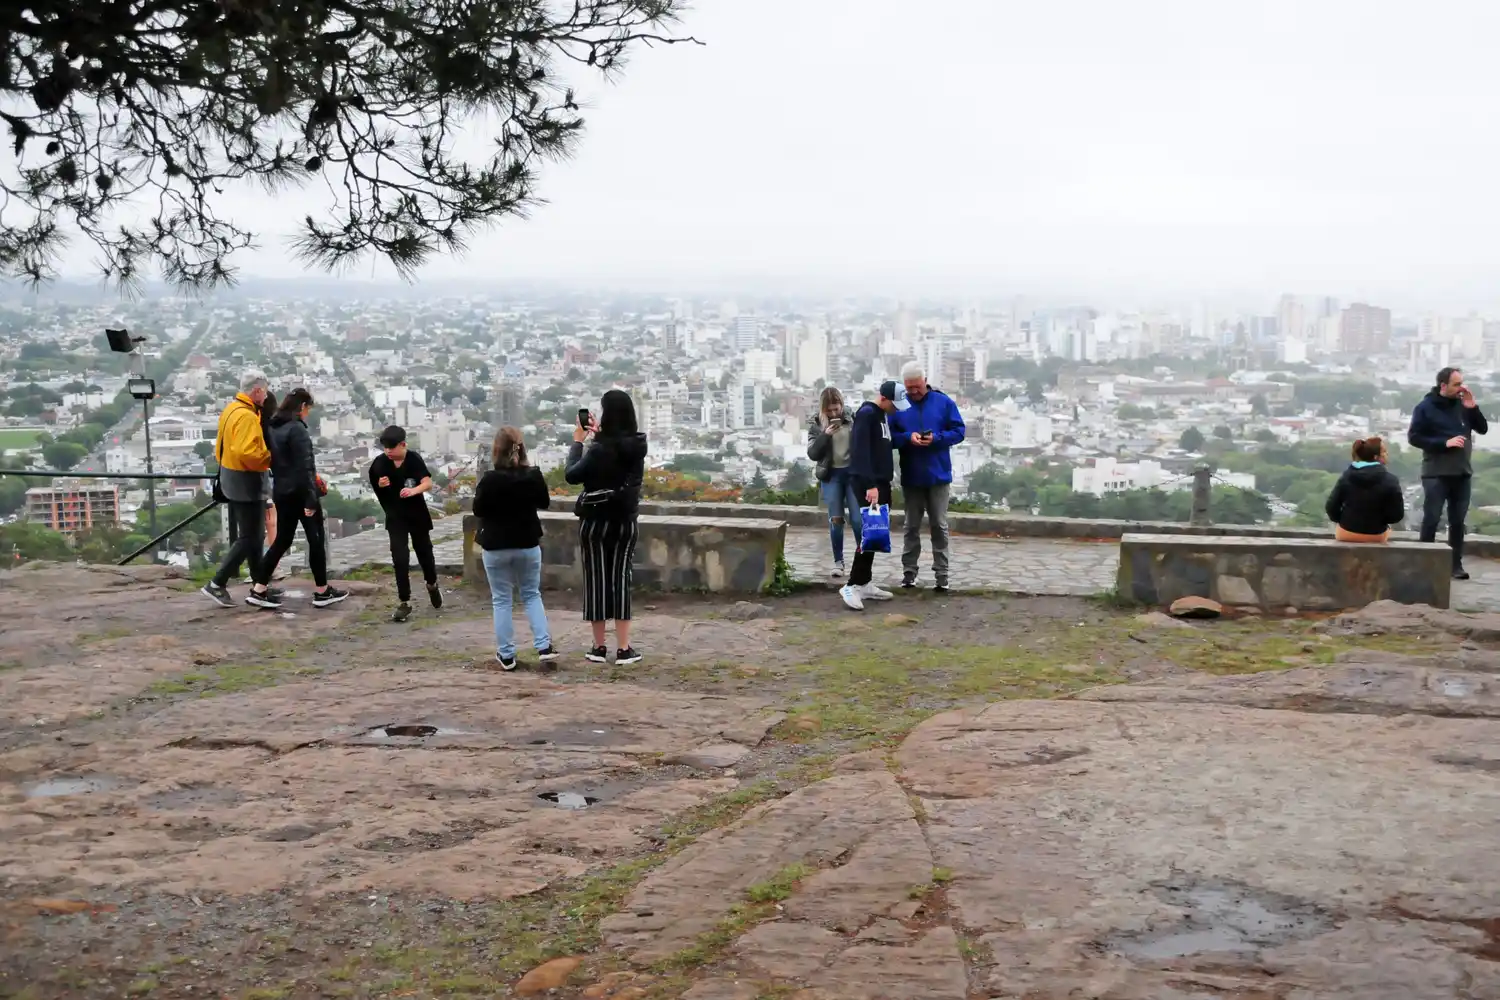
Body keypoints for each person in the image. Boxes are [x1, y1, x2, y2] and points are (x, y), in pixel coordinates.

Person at [565, 389, 648, 665]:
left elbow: (572, 475)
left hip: (595, 521)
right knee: (621, 580)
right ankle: (624, 648)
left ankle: (598, 647)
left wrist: (579, 442)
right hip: (625, 520)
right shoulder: (637, 446)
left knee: (597, 580)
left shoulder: (598, 449)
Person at [473, 426, 558, 670]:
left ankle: (507, 654)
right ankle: (544, 646)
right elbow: (544, 502)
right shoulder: (532, 475)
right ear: (521, 449)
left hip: (496, 545)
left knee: (502, 600)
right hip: (527, 542)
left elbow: (478, 509)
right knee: (531, 594)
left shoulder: (490, 479)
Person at [254, 389, 347, 608]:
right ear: (303, 406)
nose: (307, 414)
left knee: (282, 540)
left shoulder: (272, 427)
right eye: (308, 409)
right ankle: (323, 591)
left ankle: (259, 588)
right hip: (301, 492)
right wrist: (311, 498)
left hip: (282, 492)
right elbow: (306, 466)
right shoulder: (297, 430)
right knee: (316, 540)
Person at [887, 361, 966, 593]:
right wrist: (906, 438)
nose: (913, 392)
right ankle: (909, 573)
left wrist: (938, 438)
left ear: (925, 381)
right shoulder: (900, 405)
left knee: (939, 526)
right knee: (911, 526)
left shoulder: (943, 402)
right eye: (908, 388)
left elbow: (959, 431)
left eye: (916, 387)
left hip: (938, 474)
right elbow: (889, 435)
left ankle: (942, 575)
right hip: (911, 475)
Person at [1408, 366, 1488, 579]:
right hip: (1436, 473)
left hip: (1462, 472)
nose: (1461, 388)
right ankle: (1424, 565)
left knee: (1457, 521)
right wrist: (1445, 443)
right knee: (1432, 518)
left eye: (1462, 383)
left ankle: (1455, 565)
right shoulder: (1425, 407)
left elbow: (1482, 429)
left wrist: (1472, 406)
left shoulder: (1463, 406)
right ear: (1443, 385)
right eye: (1457, 384)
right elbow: (1414, 437)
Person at [201, 373, 272, 608]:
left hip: (230, 476)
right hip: (246, 480)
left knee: (255, 535)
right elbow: (247, 453)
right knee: (249, 537)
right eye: (265, 390)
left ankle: (260, 584)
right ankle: (217, 583)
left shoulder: (231, 409)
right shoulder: (247, 416)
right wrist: (269, 458)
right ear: (257, 391)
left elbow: (221, 446)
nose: (267, 394)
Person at [840, 380, 907, 611]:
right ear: (884, 398)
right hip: (870, 485)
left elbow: (882, 446)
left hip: (881, 483)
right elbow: (861, 451)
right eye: (895, 403)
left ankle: (864, 582)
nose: (897, 408)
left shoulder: (881, 416)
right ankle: (851, 584)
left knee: (876, 533)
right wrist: (870, 484)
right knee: (869, 534)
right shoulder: (868, 414)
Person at [368, 425, 440, 621]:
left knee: (424, 552)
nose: (389, 452)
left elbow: (427, 482)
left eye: (392, 447)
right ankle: (404, 601)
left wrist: (413, 491)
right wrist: (380, 485)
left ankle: (432, 584)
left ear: (403, 445)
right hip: (396, 517)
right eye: (385, 448)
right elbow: (374, 483)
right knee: (400, 559)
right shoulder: (380, 463)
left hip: (417, 515)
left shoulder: (414, 459)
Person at [806, 386, 861, 577]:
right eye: (829, 410)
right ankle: (839, 561)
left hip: (852, 474)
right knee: (836, 519)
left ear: (841, 405)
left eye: (836, 409)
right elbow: (813, 453)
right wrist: (825, 435)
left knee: (857, 519)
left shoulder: (853, 419)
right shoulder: (816, 424)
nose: (833, 413)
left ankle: (861, 560)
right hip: (831, 475)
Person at [1325, 437, 1405, 543]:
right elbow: (1397, 515)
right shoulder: (1390, 480)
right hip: (1376, 534)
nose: (1387, 455)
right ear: (1376, 457)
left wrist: (1345, 520)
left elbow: (1331, 507)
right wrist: (1381, 521)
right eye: (1384, 452)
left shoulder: (1346, 476)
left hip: (1346, 533)